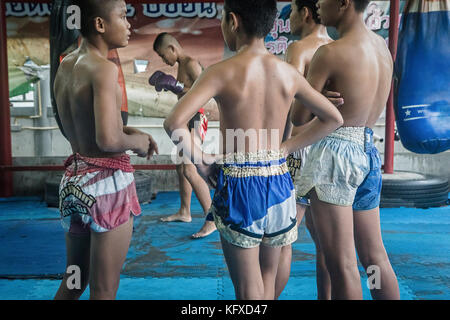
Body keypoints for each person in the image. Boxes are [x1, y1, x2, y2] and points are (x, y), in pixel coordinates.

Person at [164, 0, 343, 300]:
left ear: (232, 21)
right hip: (280, 182)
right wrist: (285, 148)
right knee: (268, 282)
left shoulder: (220, 71)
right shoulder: (287, 73)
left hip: (239, 185)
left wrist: (204, 162)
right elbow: (333, 118)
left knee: (248, 291)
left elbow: (174, 123)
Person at [292, 0, 400, 299]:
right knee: (374, 260)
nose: (317, 4)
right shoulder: (382, 49)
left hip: (335, 156)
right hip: (368, 152)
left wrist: (313, 96)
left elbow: (298, 117)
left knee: (342, 264)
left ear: (344, 3)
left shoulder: (330, 53)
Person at [53, 0, 158, 300]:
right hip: (105, 188)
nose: (129, 25)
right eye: (123, 17)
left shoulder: (66, 64)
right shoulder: (104, 69)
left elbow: (87, 124)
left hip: (73, 184)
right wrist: (136, 142)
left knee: (75, 279)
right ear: (100, 25)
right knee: (104, 288)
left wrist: (130, 132)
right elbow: (108, 141)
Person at [275, 0, 343, 299]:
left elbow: (287, 104)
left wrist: (279, 149)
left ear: (304, 12)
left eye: (290, 13)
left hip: (299, 149)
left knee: (282, 238)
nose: (288, 20)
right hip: (331, 148)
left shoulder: (298, 48)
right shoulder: (337, 49)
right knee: (326, 243)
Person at [151, 33, 217, 239]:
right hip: (186, 119)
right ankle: (185, 211)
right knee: (181, 168)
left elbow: (204, 92)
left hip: (197, 119)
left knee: (190, 169)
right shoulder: (181, 66)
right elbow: (186, 93)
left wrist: (176, 86)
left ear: (172, 48)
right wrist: (174, 88)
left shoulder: (190, 63)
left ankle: (212, 219)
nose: (164, 61)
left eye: (164, 56)